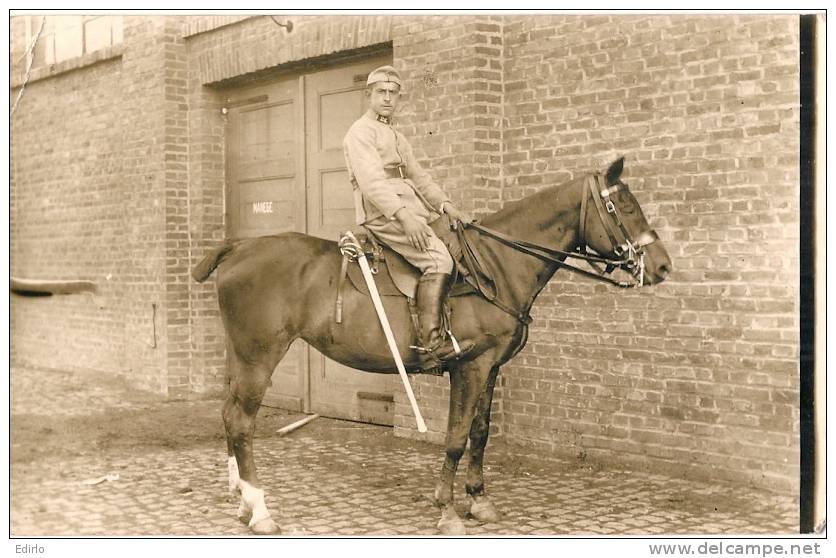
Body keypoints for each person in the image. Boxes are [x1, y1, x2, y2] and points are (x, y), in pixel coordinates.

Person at [343, 65, 475, 363]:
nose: (388, 99)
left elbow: (419, 177)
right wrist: (404, 217)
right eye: (381, 92)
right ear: (369, 95)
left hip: (412, 208)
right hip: (383, 214)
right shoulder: (360, 133)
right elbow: (372, 184)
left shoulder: (395, 135)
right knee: (438, 259)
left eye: (393, 93)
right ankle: (432, 342)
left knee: (460, 244)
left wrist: (447, 206)